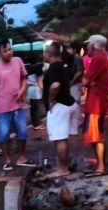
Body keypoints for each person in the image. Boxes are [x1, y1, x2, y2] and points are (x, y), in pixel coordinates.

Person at [0, 39, 36, 171]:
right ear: (0, 53)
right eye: (5, 51)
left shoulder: (18, 61)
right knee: (3, 134)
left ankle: (22, 157)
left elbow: (24, 78)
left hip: (18, 105)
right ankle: (7, 159)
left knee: (22, 131)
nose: (8, 52)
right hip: (2, 108)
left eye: (9, 49)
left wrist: (22, 90)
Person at [43, 41, 76, 178]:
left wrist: (51, 100)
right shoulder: (64, 65)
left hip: (59, 106)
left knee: (59, 139)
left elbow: (55, 85)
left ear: (49, 54)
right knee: (63, 138)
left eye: (45, 52)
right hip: (69, 103)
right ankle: (64, 164)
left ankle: (63, 168)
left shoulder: (53, 68)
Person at [81, 34, 108, 177]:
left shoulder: (98, 59)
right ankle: (100, 163)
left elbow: (85, 81)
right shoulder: (102, 57)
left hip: (96, 103)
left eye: (88, 44)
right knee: (95, 134)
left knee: (96, 135)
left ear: (93, 45)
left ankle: (101, 166)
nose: (86, 47)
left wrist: (87, 81)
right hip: (98, 101)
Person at [66, 42, 85, 135]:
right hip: (74, 84)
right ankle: (75, 124)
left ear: (74, 49)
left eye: (70, 48)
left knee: (75, 105)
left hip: (75, 84)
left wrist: (72, 81)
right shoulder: (73, 58)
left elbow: (79, 72)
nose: (68, 50)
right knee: (74, 104)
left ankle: (76, 125)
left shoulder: (77, 58)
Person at [26, 64, 44, 131]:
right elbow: (40, 83)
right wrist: (43, 90)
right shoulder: (38, 72)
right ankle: (37, 124)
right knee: (36, 108)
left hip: (30, 89)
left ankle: (34, 123)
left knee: (33, 108)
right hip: (36, 90)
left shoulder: (28, 71)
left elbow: (27, 81)